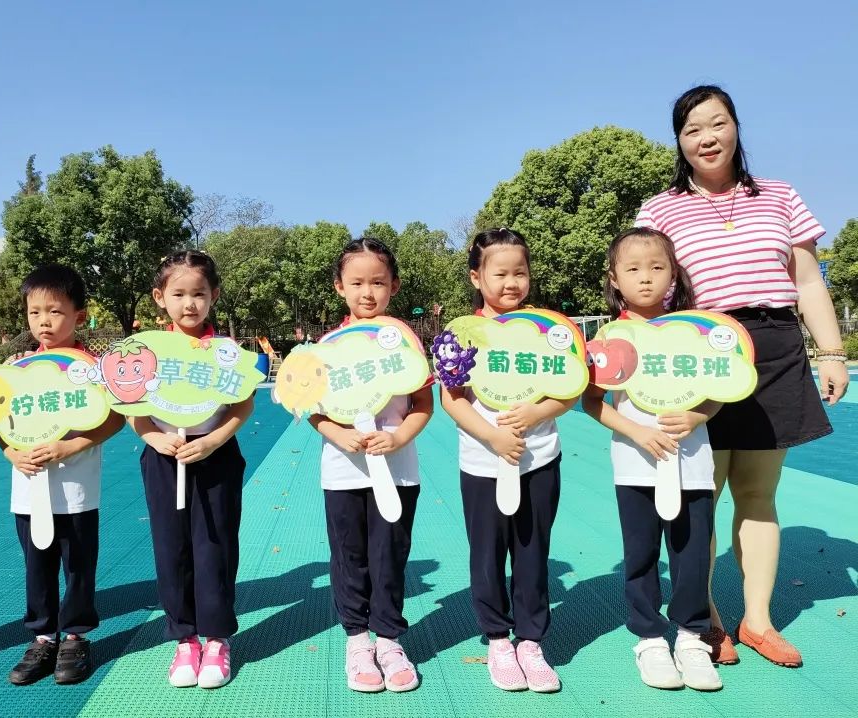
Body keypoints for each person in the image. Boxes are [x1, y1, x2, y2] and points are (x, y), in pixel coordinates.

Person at [635, 85, 849, 667]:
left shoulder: (780, 197)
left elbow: (807, 281)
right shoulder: (660, 209)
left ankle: (758, 620)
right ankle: (705, 620)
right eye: (691, 129)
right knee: (703, 495)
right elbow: (644, 283)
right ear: (679, 141)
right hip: (699, 356)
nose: (706, 137)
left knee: (759, 494)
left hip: (776, 349)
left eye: (717, 123)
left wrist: (831, 352)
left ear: (735, 127)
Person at [582, 228, 722, 690]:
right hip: (635, 466)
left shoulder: (693, 331)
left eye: (657, 267)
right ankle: (648, 638)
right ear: (615, 278)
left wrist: (698, 414)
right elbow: (593, 401)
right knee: (640, 553)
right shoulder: (610, 337)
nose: (646, 278)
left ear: (674, 273)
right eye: (633, 269)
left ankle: (691, 636)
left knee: (691, 553)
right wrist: (638, 432)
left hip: (693, 464)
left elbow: (722, 391)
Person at [440, 228, 574, 693]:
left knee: (532, 551)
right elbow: (452, 400)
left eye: (520, 272)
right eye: (500, 273)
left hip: (540, 459)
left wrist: (539, 411)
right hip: (483, 462)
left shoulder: (546, 331)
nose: (511, 283)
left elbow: (569, 387)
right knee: (488, 554)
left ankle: (531, 640)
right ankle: (498, 639)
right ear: (477, 277)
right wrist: (493, 437)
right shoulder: (462, 332)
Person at [307, 238, 433, 693]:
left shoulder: (404, 340)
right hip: (343, 472)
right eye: (356, 282)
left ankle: (390, 639)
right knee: (350, 557)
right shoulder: (328, 346)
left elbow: (422, 402)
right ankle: (357, 640)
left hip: (398, 471)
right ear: (339, 286)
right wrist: (336, 432)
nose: (367, 292)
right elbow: (313, 407)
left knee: (389, 556)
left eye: (377, 282)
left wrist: (398, 436)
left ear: (393, 285)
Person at [130, 251, 253, 689]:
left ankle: (217, 639)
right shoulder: (146, 351)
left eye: (199, 294)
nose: (189, 304)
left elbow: (242, 404)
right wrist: (153, 438)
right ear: (159, 298)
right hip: (164, 459)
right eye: (178, 294)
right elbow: (131, 405)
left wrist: (213, 440)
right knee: (171, 547)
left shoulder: (226, 351)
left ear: (213, 296)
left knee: (214, 546)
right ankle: (184, 639)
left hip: (216, 457)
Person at [2, 264, 124, 686]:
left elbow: (114, 421)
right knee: (37, 565)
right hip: (28, 490)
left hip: (76, 491)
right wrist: (13, 453)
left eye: (54, 312)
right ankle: (41, 637)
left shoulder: (93, 369)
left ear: (80, 315)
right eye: (35, 313)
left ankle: (75, 636)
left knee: (77, 565)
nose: (44, 322)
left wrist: (70, 446)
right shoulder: (15, 369)